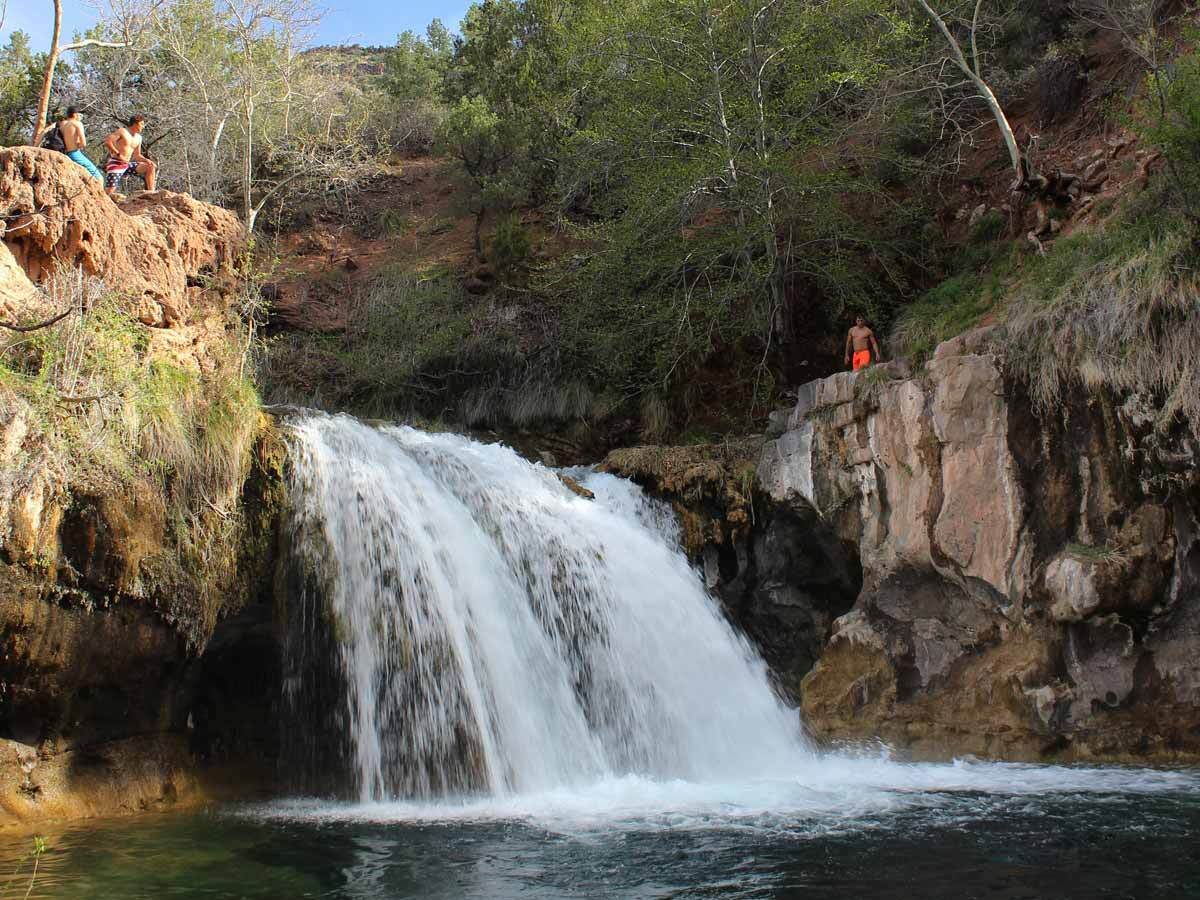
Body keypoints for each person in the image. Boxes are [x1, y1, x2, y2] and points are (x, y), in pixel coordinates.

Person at [102, 114, 157, 196]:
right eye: (141, 124)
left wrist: (147, 160)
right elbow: (108, 141)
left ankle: (152, 194)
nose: (143, 126)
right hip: (116, 163)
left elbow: (137, 155)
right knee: (109, 192)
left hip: (127, 164)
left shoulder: (139, 138)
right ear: (135, 124)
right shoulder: (122, 131)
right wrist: (118, 154)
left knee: (150, 166)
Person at [56, 107, 103, 183]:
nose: (80, 117)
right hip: (75, 154)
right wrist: (77, 144)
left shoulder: (62, 124)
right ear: (75, 114)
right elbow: (83, 143)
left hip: (65, 154)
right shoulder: (77, 124)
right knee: (99, 177)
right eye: (79, 114)